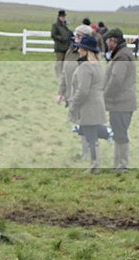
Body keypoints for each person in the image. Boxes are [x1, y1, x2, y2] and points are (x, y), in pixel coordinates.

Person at [68, 35, 107, 173]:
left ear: (85, 50)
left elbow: (82, 90)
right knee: (92, 136)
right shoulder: (98, 65)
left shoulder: (85, 67)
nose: (78, 51)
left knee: (91, 137)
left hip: (88, 106)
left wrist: (73, 105)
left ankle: (94, 165)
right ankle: (95, 164)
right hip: (97, 103)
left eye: (80, 48)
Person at [56, 25, 95, 159]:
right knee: (80, 124)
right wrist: (61, 92)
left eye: (79, 36)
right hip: (72, 94)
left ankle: (91, 154)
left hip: (85, 95)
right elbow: (65, 72)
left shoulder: (90, 55)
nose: (76, 38)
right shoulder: (71, 51)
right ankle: (85, 153)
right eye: (76, 35)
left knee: (87, 124)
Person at [103, 28, 136, 172]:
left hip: (121, 102)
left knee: (120, 134)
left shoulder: (121, 56)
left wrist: (106, 95)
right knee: (118, 133)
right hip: (122, 101)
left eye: (107, 41)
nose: (106, 43)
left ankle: (122, 165)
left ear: (113, 40)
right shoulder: (122, 54)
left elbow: (116, 80)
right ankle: (118, 165)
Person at [51, 9, 72, 80]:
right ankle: (58, 75)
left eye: (64, 16)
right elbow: (53, 35)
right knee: (59, 62)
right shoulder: (55, 25)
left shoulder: (65, 25)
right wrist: (62, 38)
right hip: (59, 47)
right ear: (59, 17)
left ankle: (63, 76)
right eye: (62, 16)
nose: (63, 18)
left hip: (66, 46)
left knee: (64, 62)